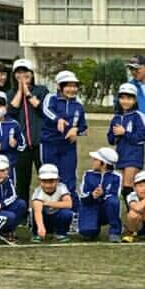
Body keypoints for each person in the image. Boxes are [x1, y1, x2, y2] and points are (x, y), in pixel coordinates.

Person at [40, 71, 87, 215]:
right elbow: (46, 110)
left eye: (75, 86)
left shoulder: (78, 105)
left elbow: (84, 126)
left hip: (68, 147)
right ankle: (47, 212)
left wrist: (76, 130)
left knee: (69, 180)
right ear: (60, 87)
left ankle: (72, 213)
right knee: (49, 177)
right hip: (49, 144)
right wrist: (58, 119)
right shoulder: (51, 98)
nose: (72, 89)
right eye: (69, 86)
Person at [6, 59, 48, 199]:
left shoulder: (41, 91)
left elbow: (44, 110)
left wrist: (28, 93)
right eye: (18, 72)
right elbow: (10, 111)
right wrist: (20, 90)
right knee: (22, 183)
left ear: (31, 73)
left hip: (40, 143)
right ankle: (22, 215)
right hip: (21, 146)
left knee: (47, 178)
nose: (22, 74)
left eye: (25, 71)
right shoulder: (10, 94)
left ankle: (47, 212)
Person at [108, 82, 145, 200]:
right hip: (120, 155)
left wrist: (125, 133)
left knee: (128, 186)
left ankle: (134, 212)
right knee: (120, 186)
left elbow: (141, 137)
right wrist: (115, 136)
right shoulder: (116, 117)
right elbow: (111, 139)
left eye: (129, 98)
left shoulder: (138, 116)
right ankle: (130, 209)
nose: (125, 101)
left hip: (134, 155)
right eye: (122, 98)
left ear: (135, 100)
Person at [77, 147, 123, 243]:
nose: (92, 161)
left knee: (113, 201)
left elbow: (115, 195)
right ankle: (92, 228)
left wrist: (103, 194)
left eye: (95, 160)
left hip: (106, 209)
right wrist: (92, 195)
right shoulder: (88, 175)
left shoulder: (116, 177)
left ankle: (115, 232)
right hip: (92, 207)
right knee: (87, 232)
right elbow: (82, 196)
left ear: (104, 164)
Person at [29, 162, 74, 244]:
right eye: (44, 181)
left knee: (67, 213)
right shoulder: (38, 192)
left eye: (51, 181)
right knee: (33, 211)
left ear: (57, 180)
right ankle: (36, 234)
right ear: (39, 180)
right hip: (43, 219)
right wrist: (41, 227)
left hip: (56, 217)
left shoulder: (62, 187)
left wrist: (47, 203)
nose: (48, 185)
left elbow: (68, 204)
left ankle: (61, 233)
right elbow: (38, 211)